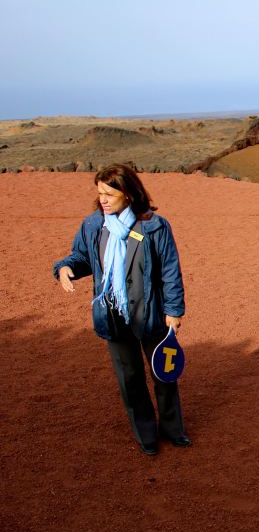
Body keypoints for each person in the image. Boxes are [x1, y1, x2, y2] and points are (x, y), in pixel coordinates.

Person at [54, 163, 191, 455]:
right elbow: (83, 256)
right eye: (100, 194)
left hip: (150, 313)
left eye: (109, 194)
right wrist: (65, 268)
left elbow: (170, 270)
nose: (102, 200)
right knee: (130, 379)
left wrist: (174, 310)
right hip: (112, 314)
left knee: (164, 374)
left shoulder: (154, 226)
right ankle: (146, 435)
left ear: (127, 193)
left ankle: (173, 429)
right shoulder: (94, 225)